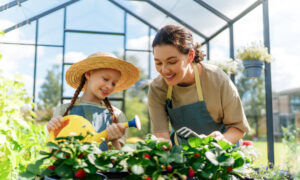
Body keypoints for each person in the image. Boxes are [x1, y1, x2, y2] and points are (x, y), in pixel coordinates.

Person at [148, 25, 250, 145]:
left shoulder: (217, 79)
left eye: (172, 62)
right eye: (158, 63)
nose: (164, 70)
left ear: (190, 56)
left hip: (222, 152)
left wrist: (218, 143)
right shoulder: (157, 88)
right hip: (183, 154)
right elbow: (161, 136)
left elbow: (238, 128)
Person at [47, 52, 140, 150]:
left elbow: (119, 160)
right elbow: (53, 154)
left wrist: (115, 141)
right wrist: (52, 132)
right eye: (105, 79)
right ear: (88, 74)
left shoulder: (116, 115)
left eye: (113, 83)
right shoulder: (63, 110)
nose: (109, 86)